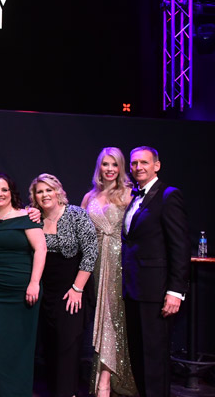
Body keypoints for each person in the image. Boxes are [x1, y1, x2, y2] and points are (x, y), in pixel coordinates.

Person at [122, 146, 189, 397]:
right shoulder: (134, 196)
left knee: (154, 358)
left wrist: (175, 291)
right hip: (134, 289)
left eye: (144, 163)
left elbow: (180, 247)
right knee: (139, 355)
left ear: (156, 166)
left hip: (157, 291)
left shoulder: (168, 196)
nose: (138, 167)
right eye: (134, 163)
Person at [29, 173, 98, 397]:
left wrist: (77, 289)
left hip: (72, 288)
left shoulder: (77, 214)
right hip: (44, 288)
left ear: (58, 191)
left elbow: (90, 253)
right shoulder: (34, 219)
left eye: (49, 189)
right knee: (49, 346)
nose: (45, 194)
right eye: (40, 191)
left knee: (67, 346)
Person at [0, 173, 47, 397]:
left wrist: (34, 282)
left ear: (11, 193)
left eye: (4, 190)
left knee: (17, 344)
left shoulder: (26, 217)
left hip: (22, 289)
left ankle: (14, 390)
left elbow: (40, 249)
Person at [81, 147, 137, 396]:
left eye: (115, 164)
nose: (110, 169)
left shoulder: (128, 193)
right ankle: (103, 375)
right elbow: (81, 233)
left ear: (121, 167)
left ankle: (105, 380)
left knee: (113, 319)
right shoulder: (88, 197)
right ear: (99, 167)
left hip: (119, 264)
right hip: (95, 264)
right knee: (100, 317)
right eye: (106, 164)